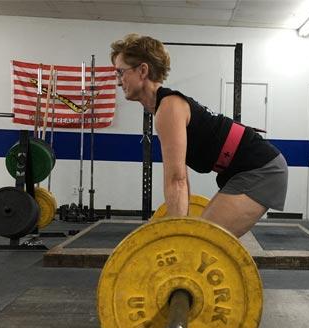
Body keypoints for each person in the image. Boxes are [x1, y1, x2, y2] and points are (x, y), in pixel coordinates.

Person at [110, 34, 288, 238]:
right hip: (244, 170)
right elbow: (181, 178)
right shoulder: (165, 107)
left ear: (142, 70)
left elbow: (176, 181)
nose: (118, 81)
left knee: (201, 241)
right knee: (197, 240)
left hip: (261, 169)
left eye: (120, 72)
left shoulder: (169, 108)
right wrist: (181, 227)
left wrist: (177, 237)